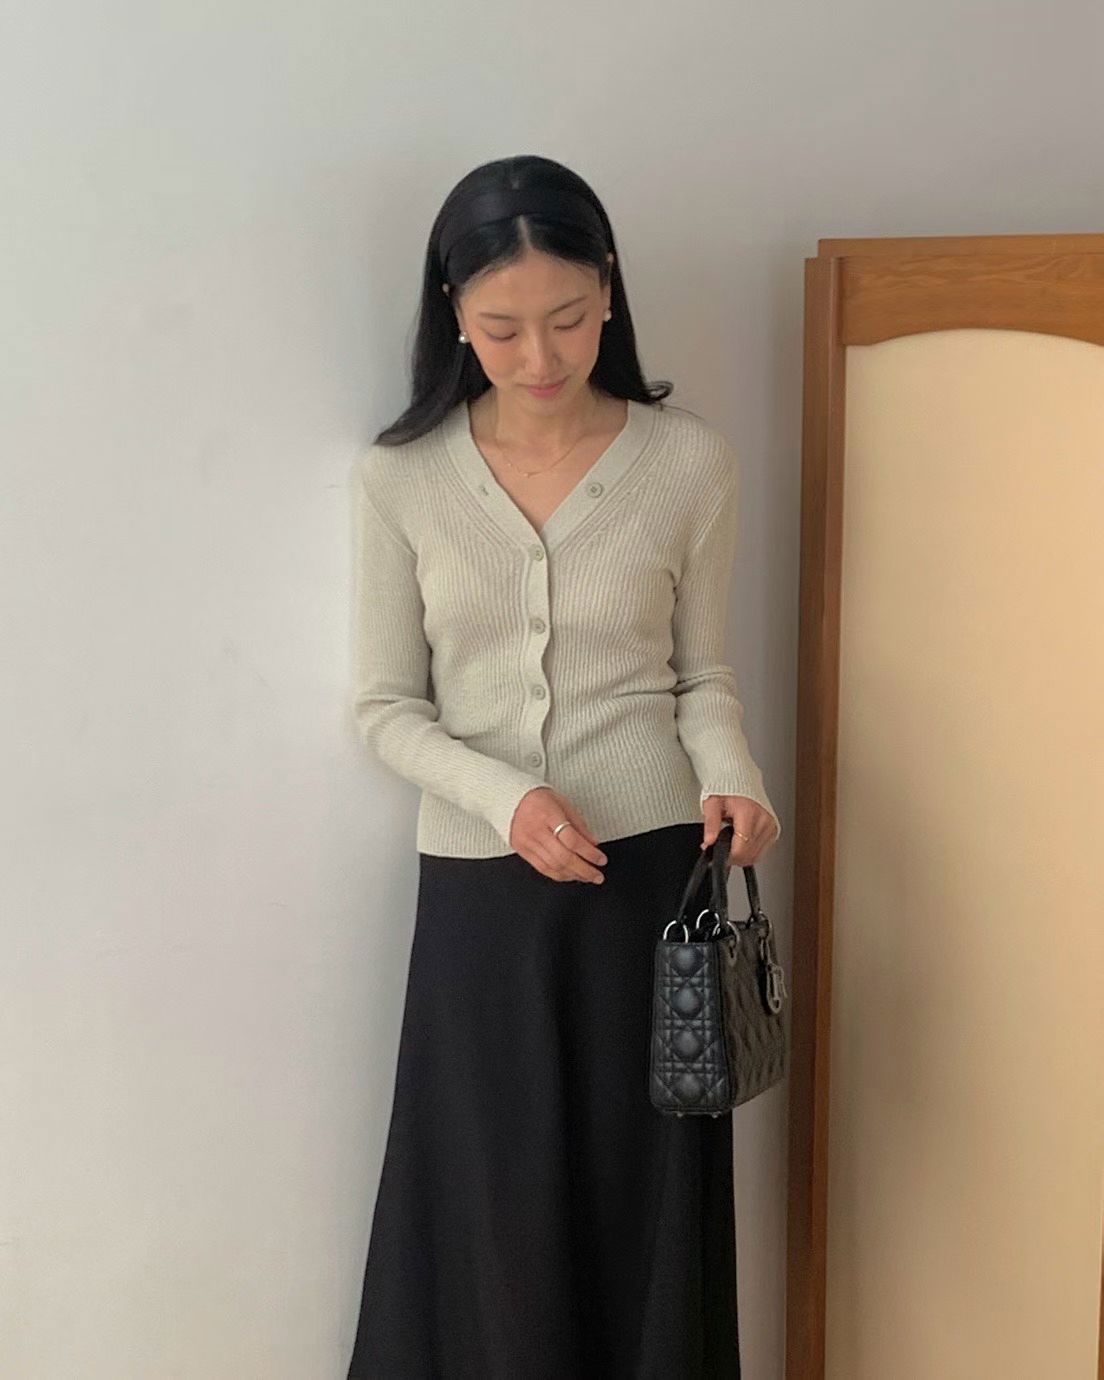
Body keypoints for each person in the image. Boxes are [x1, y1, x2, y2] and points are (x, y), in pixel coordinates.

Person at [345, 153, 781, 1379]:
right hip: (480, 891)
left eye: (569, 320)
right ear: (453, 313)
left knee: (641, 1196)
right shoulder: (400, 481)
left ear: (610, 292)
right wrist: (509, 800)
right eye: (502, 329)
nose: (539, 357)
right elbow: (383, 709)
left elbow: (702, 676)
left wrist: (736, 775)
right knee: (489, 1194)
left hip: (652, 887)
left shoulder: (688, 462)